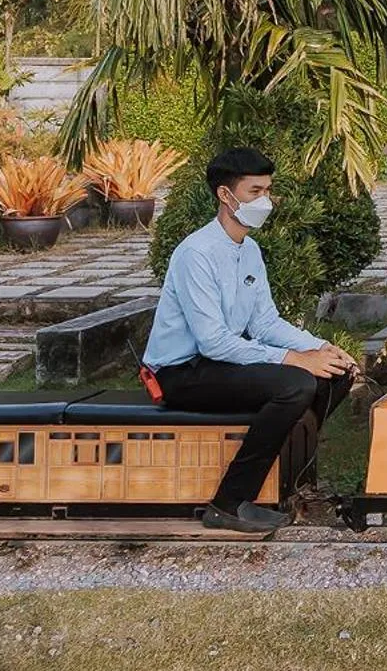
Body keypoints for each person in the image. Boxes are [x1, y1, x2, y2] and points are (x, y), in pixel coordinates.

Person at [142, 147, 358, 532]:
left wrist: (318, 347)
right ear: (226, 196)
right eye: (255, 192)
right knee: (296, 383)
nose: (266, 201)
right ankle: (229, 502)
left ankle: (293, 482)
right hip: (180, 372)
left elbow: (265, 322)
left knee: (334, 375)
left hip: (217, 363)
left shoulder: (250, 249)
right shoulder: (196, 254)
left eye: (268, 191)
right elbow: (212, 342)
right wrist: (294, 359)